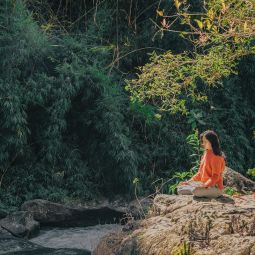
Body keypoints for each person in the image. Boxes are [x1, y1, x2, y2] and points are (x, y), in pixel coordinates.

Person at [177, 130, 226, 198]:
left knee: (195, 191)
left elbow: (215, 177)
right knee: (180, 189)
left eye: (205, 142)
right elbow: (199, 173)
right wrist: (188, 182)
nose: (203, 144)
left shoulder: (217, 157)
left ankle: (203, 192)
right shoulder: (205, 154)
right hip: (203, 185)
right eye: (203, 141)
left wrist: (204, 185)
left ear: (212, 142)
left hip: (215, 188)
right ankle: (198, 190)